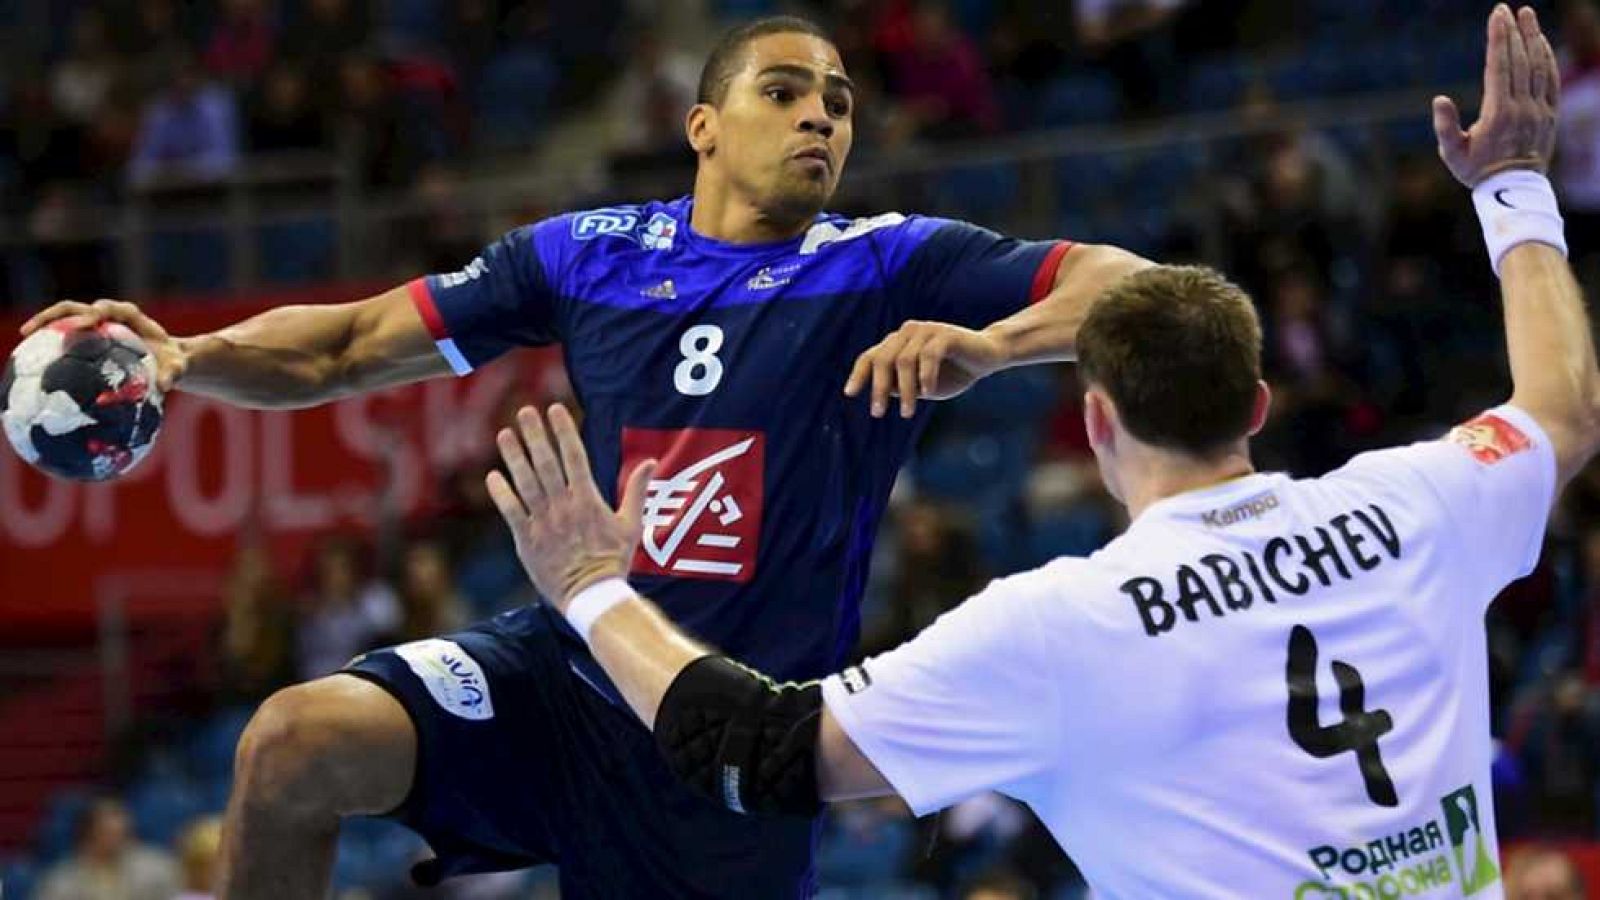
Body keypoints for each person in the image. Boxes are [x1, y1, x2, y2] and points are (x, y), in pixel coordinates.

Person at [20, 15, 1149, 898]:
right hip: (560, 684)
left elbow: (1130, 288)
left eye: (839, 104)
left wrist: (990, 344)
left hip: (730, 743)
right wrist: (185, 357)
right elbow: (350, 344)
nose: (821, 119)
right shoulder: (587, 256)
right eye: (786, 92)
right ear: (702, 126)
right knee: (291, 741)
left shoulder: (890, 262)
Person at [481, 6, 1592, 897]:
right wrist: (1515, 187)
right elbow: (1562, 410)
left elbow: (755, 752)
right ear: (1256, 404)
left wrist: (587, 588)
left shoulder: (1061, 624)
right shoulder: (1412, 502)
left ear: (1096, 419)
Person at [35, 797, 180, 900]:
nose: (121, 842)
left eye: (124, 833)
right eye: (110, 834)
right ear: (88, 837)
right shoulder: (62, 882)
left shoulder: (158, 868)